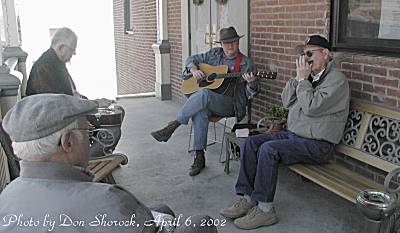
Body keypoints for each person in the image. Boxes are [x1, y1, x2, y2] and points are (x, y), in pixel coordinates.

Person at [0, 94, 217, 233]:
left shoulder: (6, 198)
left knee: (161, 210)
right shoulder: (105, 199)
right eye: (88, 132)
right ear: (67, 142)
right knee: (202, 223)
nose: (91, 139)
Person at [219, 35, 350, 230]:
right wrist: (297, 79)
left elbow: (312, 107)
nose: (305, 58)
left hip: (319, 145)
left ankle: (265, 210)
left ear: (326, 54)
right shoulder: (306, 78)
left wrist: (304, 81)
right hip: (295, 137)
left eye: (309, 53)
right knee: (251, 142)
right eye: (303, 54)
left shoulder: (337, 81)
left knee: (269, 150)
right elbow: (286, 101)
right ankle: (247, 199)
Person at [151, 26, 259, 176]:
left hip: (230, 104)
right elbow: (191, 59)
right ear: (221, 44)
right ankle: (199, 156)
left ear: (238, 42)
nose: (230, 46)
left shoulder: (246, 64)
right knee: (200, 110)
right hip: (209, 101)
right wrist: (194, 70)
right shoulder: (214, 54)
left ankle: (174, 125)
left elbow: (249, 94)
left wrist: (252, 83)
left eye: (233, 42)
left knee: (204, 94)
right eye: (226, 43)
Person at [25, 27, 121, 158]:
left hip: (66, 124)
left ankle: (97, 157)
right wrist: (95, 105)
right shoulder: (45, 68)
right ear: (61, 47)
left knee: (118, 112)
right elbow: (62, 107)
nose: (74, 53)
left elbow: (71, 95)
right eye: (72, 49)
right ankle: (87, 163)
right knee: (113, 131)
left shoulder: (54, 63)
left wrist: (93, 103)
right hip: (58, 133)